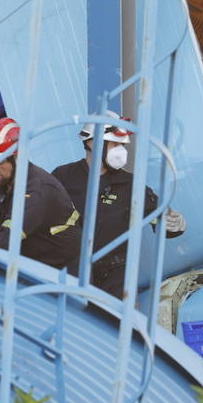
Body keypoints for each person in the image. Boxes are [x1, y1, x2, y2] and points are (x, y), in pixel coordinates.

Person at [51, 113, 186, 298]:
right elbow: (43, 215)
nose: (121, 151)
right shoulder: (64, 176)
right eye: (115, 144)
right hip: (73, 270)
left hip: (115, 276)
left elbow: (159, 220)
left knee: (110, 323)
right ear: (92, 143)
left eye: (122, 145)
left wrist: (173, 223)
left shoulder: (131, 185)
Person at [0, 117, 83, 272]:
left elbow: (7, 238)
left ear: (17, 158)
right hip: (34, 266)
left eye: (0, 162)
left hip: (62, 274)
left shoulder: (38, 190)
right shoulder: (0, 185)